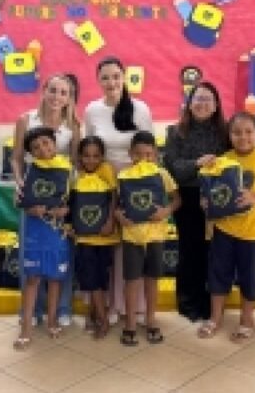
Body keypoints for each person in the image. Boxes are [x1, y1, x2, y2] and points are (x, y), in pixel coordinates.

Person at [197, 112, 255, 342]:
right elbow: (210, 192)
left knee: (250, 278)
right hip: (224, 230)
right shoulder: (222, 160)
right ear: (229, 135)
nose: (243, 137)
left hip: (254, 232)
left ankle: (246, 320)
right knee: (218, 274)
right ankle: (215, 318)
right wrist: (206, 201)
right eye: (237, 132)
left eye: (248, 132)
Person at [84, 56, 153, 323]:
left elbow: (149, 150)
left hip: (134, 185)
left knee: (130, 247)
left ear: (124, 78)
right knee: (105, 243)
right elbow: (89, 149)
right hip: (102, 186)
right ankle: (106, 305)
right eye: (105, 77)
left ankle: (130, 306)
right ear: (98, 81)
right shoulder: (92, 110)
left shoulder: (140, 109)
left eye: (116, 76)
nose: (111, 82)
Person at [10, 74, 81, 327]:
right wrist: (20, 183)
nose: (57, 97)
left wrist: (69, 201)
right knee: (30, 252)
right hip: (33, 193)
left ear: (69, 98)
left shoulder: (73, 125)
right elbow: (17, 157)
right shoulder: (26, 119)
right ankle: (31, 311)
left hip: (59, 197)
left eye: (63, 93)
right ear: (44, 90)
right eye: (53, 90)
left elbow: (75, 163)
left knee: (61, 252)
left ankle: (62, 308)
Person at [163, 81, 229, 322]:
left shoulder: (226, 132)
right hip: (188, 200)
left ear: (216, 105)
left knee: (215, 252)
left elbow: (234, 162)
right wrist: (197, 163)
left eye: (207, 99)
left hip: (217, 199)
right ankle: (188, 303)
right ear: (189, 104)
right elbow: (173, 168)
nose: (202, 103)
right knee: (189, 251)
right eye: (198, 98)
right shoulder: (175, 132)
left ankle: (212, 303)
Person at [115, 131, 181, 346]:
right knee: (131, 279)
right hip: (132, 235)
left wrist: (166, 211)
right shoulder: (124, 175)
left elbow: (176, 199)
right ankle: (131, 323)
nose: (143, 159)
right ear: (130, 154)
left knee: (152, 279)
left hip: (155, 236)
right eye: (138, 154)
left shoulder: (161, 174)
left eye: (148, 155)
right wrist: (119, 216)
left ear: (156, 155)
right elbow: (116, 204)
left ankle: (151, 319)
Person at [14, 127, 72, 350]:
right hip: (35, 232)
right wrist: (31, 209)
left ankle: (52, 321)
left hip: (57, 232)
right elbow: (20, 201)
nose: (42, 149)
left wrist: (65, 211)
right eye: (36, 147)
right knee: (32, 279)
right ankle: (26, 328)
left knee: (55, 278)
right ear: (30, 153)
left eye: (46, 143)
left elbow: (75, 201)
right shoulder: (29, 171)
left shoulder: (68, 169)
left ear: (55, 143)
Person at [72, 136, 118, 339]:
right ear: (80, 157)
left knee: (100, 277)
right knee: (89, 276)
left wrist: (110, 221)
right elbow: (72, 202)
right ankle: (102, 318)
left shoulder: (106, 170)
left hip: (104, 236)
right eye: (86, 156)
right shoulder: (76, 174)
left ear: (102, 157)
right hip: (84, 238)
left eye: (96, 156)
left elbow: (114, 198)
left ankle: (94, 314)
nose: (91, 160)